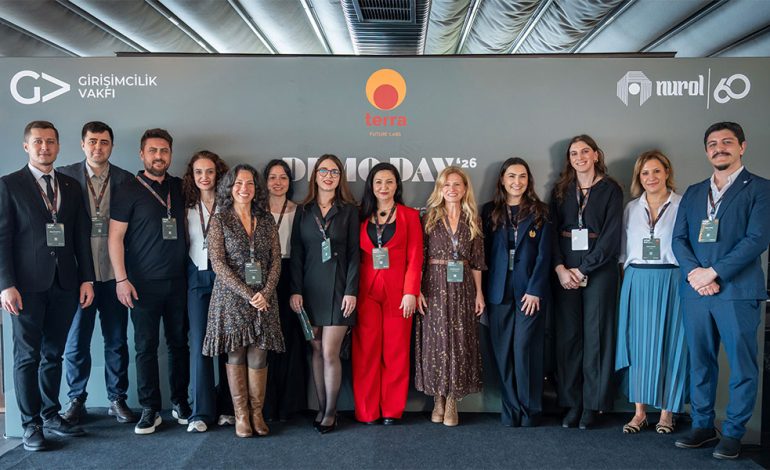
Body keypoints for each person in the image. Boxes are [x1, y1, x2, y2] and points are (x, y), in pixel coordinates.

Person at [672, 122, 770, 459]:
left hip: (737, 291)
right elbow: (678, 239)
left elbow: (757, 239)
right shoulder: (694, 192)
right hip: (696, 293)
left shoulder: (761, 189)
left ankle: (733, 433)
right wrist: (696, 275)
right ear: (706, 151)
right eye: (712, 144)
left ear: (742, 147)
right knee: (700, 362)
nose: (719, 148)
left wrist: (713, 272)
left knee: (742, 366)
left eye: (727, 142)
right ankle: (702, 426)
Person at [0, 121, 95, 451]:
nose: (45, 147)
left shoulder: (70, 185)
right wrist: (6, 284)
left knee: (53, 353)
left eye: (51, 141)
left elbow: (81, 235)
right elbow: (2, 238)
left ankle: (51, 414)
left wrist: (86, 278)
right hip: (25, 287)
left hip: (65, 283)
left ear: (58, 146)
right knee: (28, 356)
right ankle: (30, 425)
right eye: (38, 142)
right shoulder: (9, 185)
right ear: (26, 146)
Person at [108, 128, 190, 435]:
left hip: (179, 281)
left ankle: (180, 402)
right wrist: (121, 279)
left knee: (179, 344)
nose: (159, 156)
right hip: (141, 284)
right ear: (142, 154)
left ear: (170, 154)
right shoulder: (127, 189)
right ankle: (150, 408)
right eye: (153, 151)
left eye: (164, 151)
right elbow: (115, 238)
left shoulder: (180, 187)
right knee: (145, 347)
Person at [58, 121, 136, 426]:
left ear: (112, 146)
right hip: (81, 276)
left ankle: (117, 399)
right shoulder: (64, 177)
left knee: (116, 340)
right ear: (82, 144)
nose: (98, 147)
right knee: (76, 341)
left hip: (115, 274)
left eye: (104, 142)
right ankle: (76, 399)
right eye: (92, 141)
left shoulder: (126, 180)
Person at [202, 164, 284, 438]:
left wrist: (266, 292)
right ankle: (241, 416)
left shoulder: (267, 220)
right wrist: (249, 295)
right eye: (238, 183)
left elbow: (276, 261)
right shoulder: (220, 220)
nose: (244, 188)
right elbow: (218, 264)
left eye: (249, 183)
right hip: (232, 297)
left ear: (256, 189)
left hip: (264, 298)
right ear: (229, 187)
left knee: (260, 352)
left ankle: (256, 413)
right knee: (236, 352)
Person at [551, 135, 622, 430]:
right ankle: (572, 403)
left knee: (596, 336)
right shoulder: (561, 190)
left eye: (584, 151)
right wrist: (560, 268)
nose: (579, 157)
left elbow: (611, 237)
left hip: (599, 270)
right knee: (568, 337)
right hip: (565, 269)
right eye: (573, 153)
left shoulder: (611, 189)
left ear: (596, 155)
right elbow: (551, 233)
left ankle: (593, 404)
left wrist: (583, 270)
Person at [615, 150, 687, 435]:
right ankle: (640, 413)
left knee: (672, 343)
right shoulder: (631, 208)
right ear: (639, 177)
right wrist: (628, 285)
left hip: (672, 279)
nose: (651, 177)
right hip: (637, 280)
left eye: (656, 171)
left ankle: (667, 413)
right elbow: (623, 252)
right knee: (638, 345)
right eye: (645, 173)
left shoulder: (683, 205)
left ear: (667, 172)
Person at [289, 154, 359, 434]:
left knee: (330, 351)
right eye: (323, 171)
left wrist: (351, 291)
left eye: (334, 172)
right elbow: (296, 253)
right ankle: (321, 407)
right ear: (315, 176)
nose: (328, 176)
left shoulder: (349, 210)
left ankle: (331, 412)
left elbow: (354, 254)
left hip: (340, 288)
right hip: (310, 288)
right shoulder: (303, 211)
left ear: (340, 177)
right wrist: (295, 290)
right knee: (316, 349)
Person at [482, 158, 552, 427]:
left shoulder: (540, 211)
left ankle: (529, 410)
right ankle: (511, 410)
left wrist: (535, 290)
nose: (517, 182)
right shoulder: (490, 211)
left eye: (522, 176)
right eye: (511, 176)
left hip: (528, 291)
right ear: (502, 179)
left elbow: (545, 255)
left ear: (528, 180)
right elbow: (483, 254)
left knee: (524, 349)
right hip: (498, 290)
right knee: (502, 353)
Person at [353, 162, 423, 425]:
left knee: (396, 352)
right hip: (365, 292)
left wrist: (411, 292)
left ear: (397, 186)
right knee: (365, 353)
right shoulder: (360, 215)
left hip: (399, 293)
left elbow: (415, 257)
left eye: (389, 181)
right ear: (371, 186)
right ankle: (367, 411)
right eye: (378, 182)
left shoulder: (410, 216)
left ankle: (392, 410)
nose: (384, 187)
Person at [415, 166, 486, 427]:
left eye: (457, 184)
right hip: (433, 285)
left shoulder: (473, 219)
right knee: (436, 342)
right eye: (447, 184)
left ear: (465, 188)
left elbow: (477, 261)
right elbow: (419, 258)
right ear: (440, 189)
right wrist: (417, 289)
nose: (452, 189)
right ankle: (438, 398)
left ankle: (453, 400)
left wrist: (479, 293)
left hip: (463, 287)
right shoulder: (428, 218)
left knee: (459, 340)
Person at [182, 150, 233, 433]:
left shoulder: (229, 204)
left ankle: (227, 408)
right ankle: (200, 412)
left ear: (218, 174)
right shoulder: (185, 206)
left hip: (226, 276)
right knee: (200, 342)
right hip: (196, 275)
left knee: (227, 343)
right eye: (199, 172)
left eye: (210, 171)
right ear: (192, 176)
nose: (204, 177)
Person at [262, 159, 307, 422]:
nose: (277, 182)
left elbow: (301, 252)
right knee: (266, 343)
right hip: (264, 277)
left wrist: (297, 286)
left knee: (291, 341)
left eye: (283, 177)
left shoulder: (299, 211)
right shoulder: (256, 211)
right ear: (265, 181)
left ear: (290, 182)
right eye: (272, 177)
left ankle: (290, 406)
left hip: (291, 276)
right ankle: (266, 405)